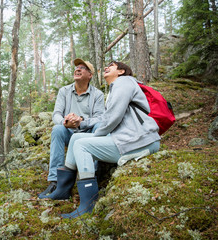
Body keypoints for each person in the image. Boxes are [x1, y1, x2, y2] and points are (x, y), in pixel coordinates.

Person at [41, 61, 161, 219]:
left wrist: (95, 136)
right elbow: (107, 117)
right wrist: (80, 123)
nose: (106, 67)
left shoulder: (124, 82)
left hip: (138, 141)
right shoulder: (115, 88)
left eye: (111, 65)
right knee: (76, 137)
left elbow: (113, 118)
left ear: (121, 71)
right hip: (129, 139)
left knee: (82, 145)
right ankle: (63, 189)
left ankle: (87, 204)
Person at [38, 58, 105, 198]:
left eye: (83, 67)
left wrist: (81, 121)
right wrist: (65, 122)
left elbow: (100, 118)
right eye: (77, 67)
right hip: (69, 131)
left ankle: (96, 176)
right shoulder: (64, 91)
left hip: (87, 133)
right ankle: (55, 181)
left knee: (99, 127)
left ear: (90, 75)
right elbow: (56, 114)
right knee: (57, 129)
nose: (78, 69)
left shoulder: (97, 94)